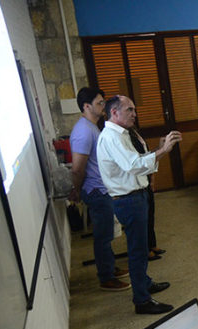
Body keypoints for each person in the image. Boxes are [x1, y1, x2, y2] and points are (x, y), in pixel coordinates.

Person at [96, 95, 182, 315]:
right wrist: (163, 151)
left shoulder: (122, 134)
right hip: (128, 200)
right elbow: (134, 166)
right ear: (114, 112)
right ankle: (142, 300)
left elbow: (138, 161)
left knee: (141, 248)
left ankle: (144, 282)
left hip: (136, 196)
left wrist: (157, 150)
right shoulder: (111, 137)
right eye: (130, 110)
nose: (134, 114)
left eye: (134, 109)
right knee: (137, 251)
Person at [69, 87, 130, 291]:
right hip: (95, 191)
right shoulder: (83, 131)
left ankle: (110, 267)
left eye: (103, 102)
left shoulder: (92, 126)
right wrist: (77, 190)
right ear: (86, 106)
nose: (103, 105)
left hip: (102, 188)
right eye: (99, 103)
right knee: (103, 236)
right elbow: (77, 169)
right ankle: (106, 277)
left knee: (106, 233)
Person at [126, 128, 165, 261]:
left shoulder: (134, 131)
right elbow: (137, 163)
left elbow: (145, 155)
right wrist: (163, 149)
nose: (133, 117)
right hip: (136, 182)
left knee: (150, 213)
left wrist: (160, 148)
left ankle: (152, 244)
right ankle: (146, 249)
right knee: (143, 218)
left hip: (145, 177)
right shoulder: (122, 136)